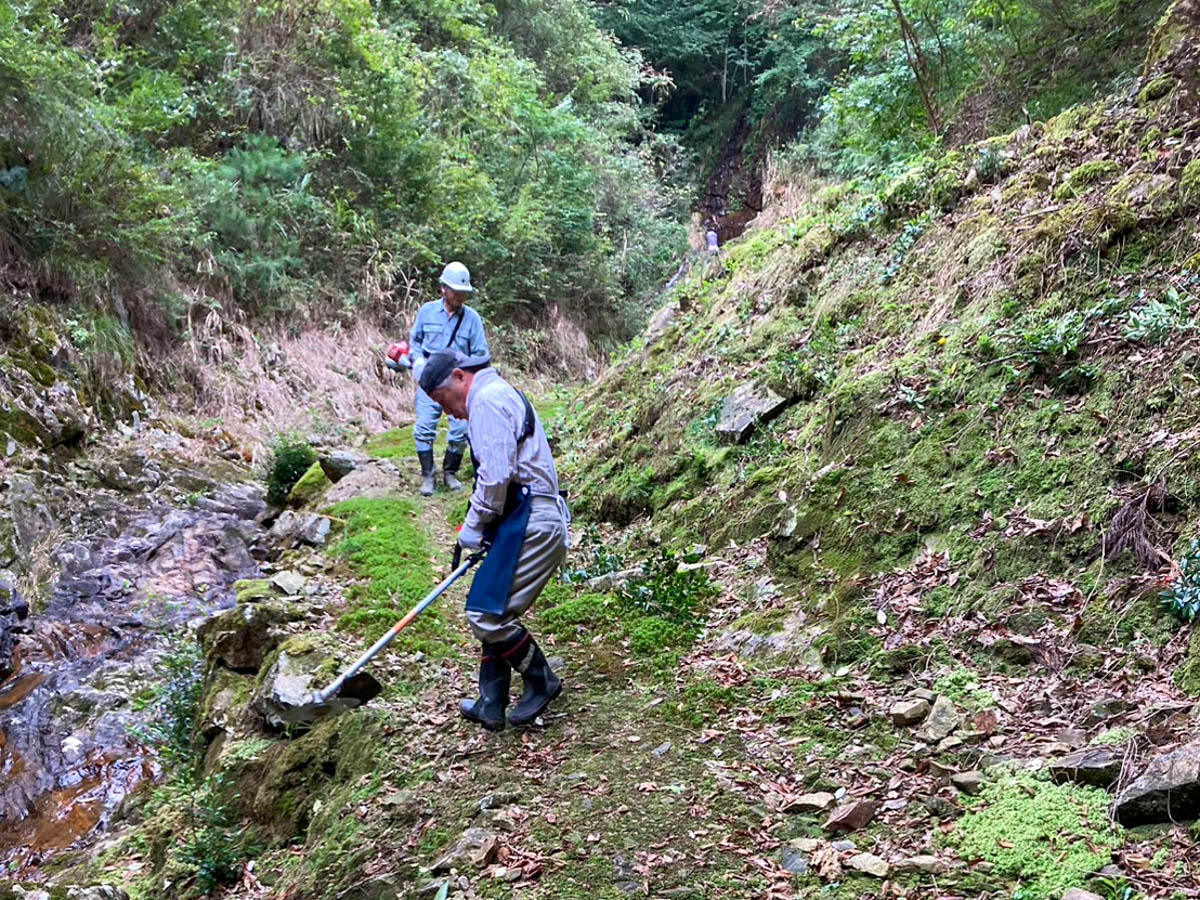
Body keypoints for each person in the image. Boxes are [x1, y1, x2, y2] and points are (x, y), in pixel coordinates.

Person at [419, 349, 570, 731]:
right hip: (526, 517)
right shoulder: (497, 394)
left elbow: (496, 476)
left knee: (486, 615)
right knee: (490, 605)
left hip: (532, 519)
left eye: (444, 402)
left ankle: (541, 681)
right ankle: (491, 701)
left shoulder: (486, 401)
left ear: (459, 377)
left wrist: (472, 527)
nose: (450, 413)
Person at [410, 262, 490, 496]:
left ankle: (450, 472)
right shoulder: (426, 311)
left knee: (460, 428)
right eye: (456, 291)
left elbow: (481, 354)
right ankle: (427, 475)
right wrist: (417, 361)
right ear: (443, 288)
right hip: (431, 382)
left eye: (464, 292)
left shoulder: (472, 319)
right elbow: (415, 341)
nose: (460, 296)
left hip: (457, 385)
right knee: (424, 427)